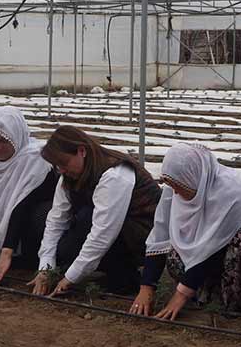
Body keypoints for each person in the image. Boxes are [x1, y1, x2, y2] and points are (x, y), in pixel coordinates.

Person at [134, 143, 241, 320]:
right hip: (215, 250)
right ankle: (210, 296)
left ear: (195, 178)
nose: (175, 193)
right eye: (172, 186)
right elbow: (160, 234)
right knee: (175, 253)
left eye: (179, 187)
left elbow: (211, 248)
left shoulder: (231, 192)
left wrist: (180, 296)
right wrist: (147, 287)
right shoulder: (174, 187)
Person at [29, 125, 161, 297]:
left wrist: (70, 278)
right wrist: (45, 267)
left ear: (81, 151)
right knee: (45, 218)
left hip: (144, 236)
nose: (61, 170)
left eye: (64, 163)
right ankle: (105, 269)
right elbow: (56, 220)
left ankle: (125, 276)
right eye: (57, 166)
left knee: (86, 220)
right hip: (114, 229)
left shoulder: (114, 174)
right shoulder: (68, 176)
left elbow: (103, 234)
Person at [0, 107, 57, 286]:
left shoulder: (36, 162)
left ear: (17, 138)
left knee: (42, 214)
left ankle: (29, 259)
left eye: (4, 141)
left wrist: (7, 252)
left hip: (27, 233)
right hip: (0, 238)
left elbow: (21, 208)